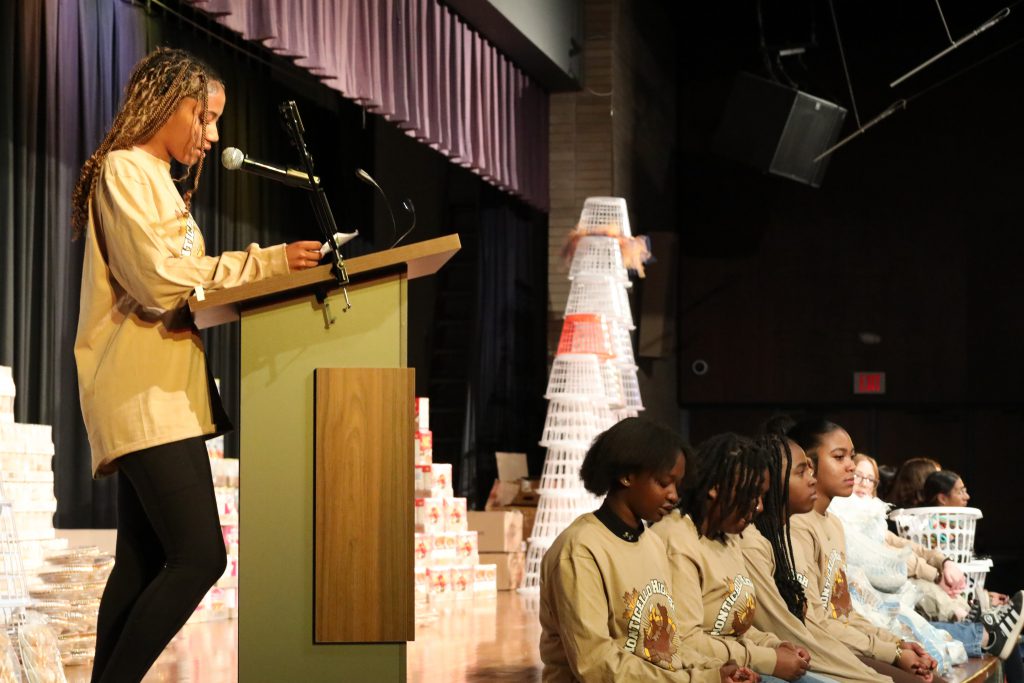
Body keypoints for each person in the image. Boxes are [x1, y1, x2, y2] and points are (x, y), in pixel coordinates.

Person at [72, 47, 323, 682]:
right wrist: (264, 263)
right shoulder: (125, 170)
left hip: (165, 390)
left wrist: (258, 274)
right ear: (168, 104)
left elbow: (189, 285)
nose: (213, 137)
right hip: (140, 392)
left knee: (141, 561)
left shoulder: (160, 181)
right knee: (199, 556)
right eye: (205, 118)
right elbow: (160, 283)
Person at [539, 418, 758, 683]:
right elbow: (595, 664)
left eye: (677, 485)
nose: (674, 496)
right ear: (627, 476)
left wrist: (716, 669)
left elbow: (667, 648)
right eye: (664, 482)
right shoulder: (580, 549)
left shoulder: (652, 543)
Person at [653, 432, 837, 683]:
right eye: (751, 494)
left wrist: (777, 645)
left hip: (738, 662)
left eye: (762, 496)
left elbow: (734, 627)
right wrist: (769, 659)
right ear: (716, 489)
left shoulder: (727, 536)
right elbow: (686, 640)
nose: (759, 506)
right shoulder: (677, 539)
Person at [786, 419, 943, 683]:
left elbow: (843, 610)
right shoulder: (797, 526)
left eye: (851, 455)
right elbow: (815, 623)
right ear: (808, 465)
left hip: (846, 642)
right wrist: (890, 651)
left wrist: (897, 644)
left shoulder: (833, 524)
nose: (851, 466)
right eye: (839, 457)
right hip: (823, 650)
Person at [738, 431, 895, 683]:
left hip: (813, 649)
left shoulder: (789, 534)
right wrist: (874, 672)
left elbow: (836, 612)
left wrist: (892, 648)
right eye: (802, 472)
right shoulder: (756, 542)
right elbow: (790, 627)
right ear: (771, 484)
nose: (812, 480)